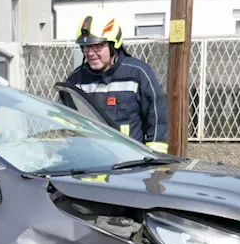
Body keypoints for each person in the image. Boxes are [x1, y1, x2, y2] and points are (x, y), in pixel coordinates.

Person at [65, 10, 169, 154]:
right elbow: (65, 119)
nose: (90, 53)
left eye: (97, 46)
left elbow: (157, 120)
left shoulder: (138, 74)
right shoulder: (76, 79)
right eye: (86, 47)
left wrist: (153, 162)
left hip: (129, 164)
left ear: (113, 45)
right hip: (88, 163)